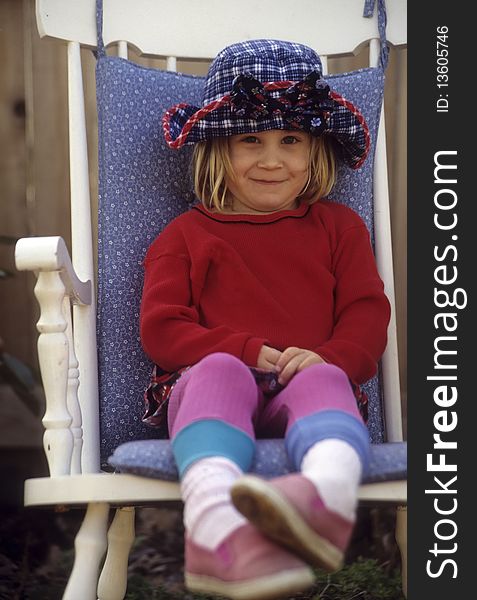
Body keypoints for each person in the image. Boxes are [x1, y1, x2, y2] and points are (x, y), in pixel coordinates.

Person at [140, 39, 390, 600]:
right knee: (219, 368)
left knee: (325, 376)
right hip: (214, 396)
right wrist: (246, 347)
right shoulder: (184, 237)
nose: (272, 159)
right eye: (249, 138)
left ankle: (322, 498)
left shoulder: (339, 228)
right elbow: (162, 329)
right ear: (216, 150)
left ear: (314, 151)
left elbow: (366, 314)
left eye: (291, 140)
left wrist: (327, 356)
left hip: (305, 394)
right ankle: (213, 520)